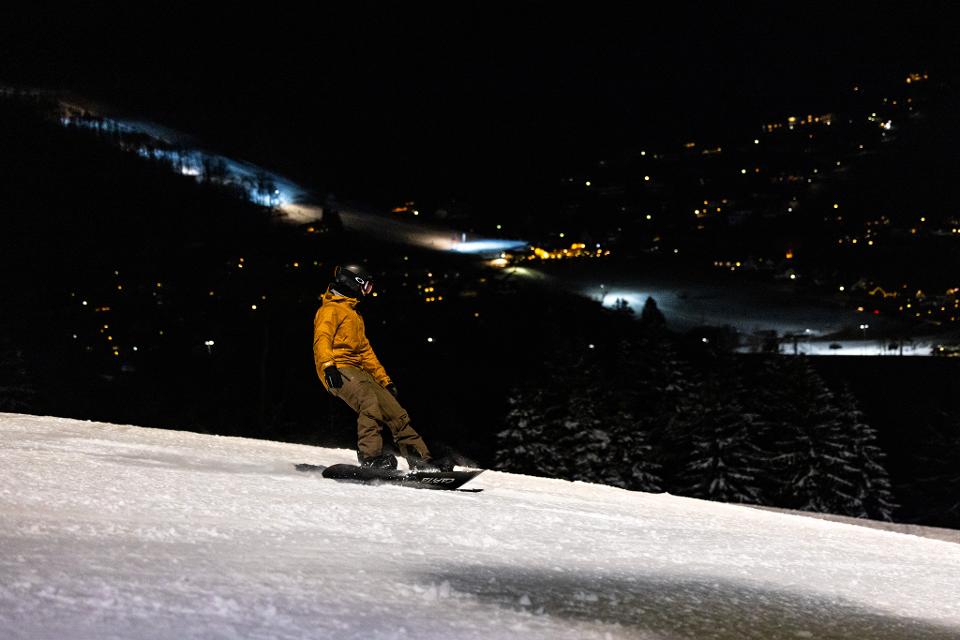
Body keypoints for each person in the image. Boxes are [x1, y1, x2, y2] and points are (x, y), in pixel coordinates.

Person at [313, 264, 450, 471]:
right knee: (369, 403)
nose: (367, 292)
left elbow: (366, 352)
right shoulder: (330, 310)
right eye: (366, 286)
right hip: (338, 368)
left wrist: (384, 380)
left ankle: (422, 461)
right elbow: (321, 340)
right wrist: (328, 367)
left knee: (396, 412)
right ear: (354, 282)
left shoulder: (353, 313)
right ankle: (370, 457)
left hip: (358, 370)